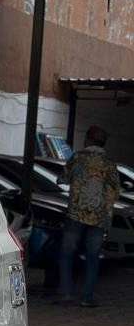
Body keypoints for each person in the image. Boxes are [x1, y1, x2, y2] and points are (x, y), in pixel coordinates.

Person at [56, 125, 120, 307]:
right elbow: (115, 190)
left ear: (88, 139)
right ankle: (87, 297)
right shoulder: (109, 164)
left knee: (67, 253)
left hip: (76, 215)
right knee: (93, 256)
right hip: (99, 218)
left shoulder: (77, 158)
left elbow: (63, 178)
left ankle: (67, 293)